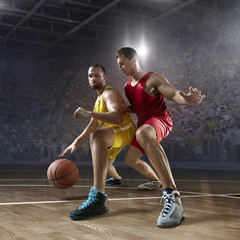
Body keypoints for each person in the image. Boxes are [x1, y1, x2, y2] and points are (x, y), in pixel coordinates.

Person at [116, 47, 206, 228]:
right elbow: (139, 105)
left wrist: (189, 99)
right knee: (130, 159)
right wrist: (129, 109)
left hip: (160, 120)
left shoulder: (153, 79)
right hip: (144, 126)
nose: (120, 68)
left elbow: (174, 94)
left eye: (122, 64)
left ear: (133, 60)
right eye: (118, 65)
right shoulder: (127, 87)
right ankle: (155, 181)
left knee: (142, 134)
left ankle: (173, 197)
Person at [59, 64, 157, 220]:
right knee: (108, 164)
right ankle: (151, 180)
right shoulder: (98, 99)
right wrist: (76, 142)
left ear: (104, 78)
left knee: (98, 136)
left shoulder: (108, 93)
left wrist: (89, 113)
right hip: (113, 133)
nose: (93, 78)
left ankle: (98, 197)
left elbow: (117, 117)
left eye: (97, 75)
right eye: (90, 76)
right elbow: (92, 125)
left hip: (123, 128)